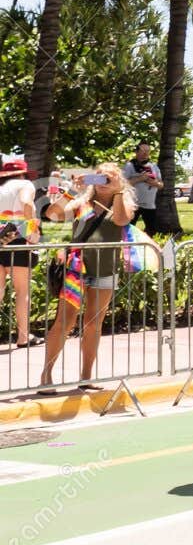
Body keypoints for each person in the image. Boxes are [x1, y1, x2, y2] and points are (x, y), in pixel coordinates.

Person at [41, 164, 136, 389]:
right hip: (76, 270)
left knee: (94, 324)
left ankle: (86, 377)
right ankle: (47, 376)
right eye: (99, 177)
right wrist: (73, 190)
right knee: (64, 322)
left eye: (108, 178)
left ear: (118, 180)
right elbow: (51, 214)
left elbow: (122, 220)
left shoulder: (122, 204)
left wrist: (119, 190)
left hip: (105, 270)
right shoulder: (82, 203)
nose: (103, 181)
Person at [0, 157, 41, 350]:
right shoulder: (25, 184)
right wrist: (32, 230)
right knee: (22, 292)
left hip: (0, 240)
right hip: (17, 240)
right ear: (23, 173)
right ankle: (23, 337)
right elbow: (26, 203)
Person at [121, 142, 162, 230]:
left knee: (152, 230)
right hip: (133, 205)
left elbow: (161, 185)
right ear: (136, 152)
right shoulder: (129, 166)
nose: (145, 154)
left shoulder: (154, 166)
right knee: (128, 230)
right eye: (143, 151)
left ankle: (146, 244)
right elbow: (122, 184)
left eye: (148, 151)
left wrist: (153, 183)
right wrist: (140, 178)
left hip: (150, 205)